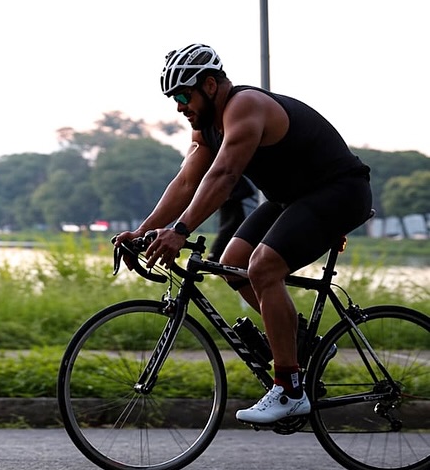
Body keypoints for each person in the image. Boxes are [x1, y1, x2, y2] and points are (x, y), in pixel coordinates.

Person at [113, 43, 372, 424]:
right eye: (174, 99)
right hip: (293, 198)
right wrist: (144, 230)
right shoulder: (206, 130)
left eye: (184, 95)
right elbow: (187, 181)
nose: (180, 106)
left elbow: (224, 176)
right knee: (232, 263)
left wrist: (181, 231)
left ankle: (289, 388)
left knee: (264, 266)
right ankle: (302, 343)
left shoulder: (245, 107)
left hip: (339, 191)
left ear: (211, 86)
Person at [207, 175, 257, 263]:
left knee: (230, 230)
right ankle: (215, 255)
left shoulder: (235, 177)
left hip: (236, 208)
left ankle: (215, 255)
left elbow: (246, 191)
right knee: (227, 230)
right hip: (230, 208)